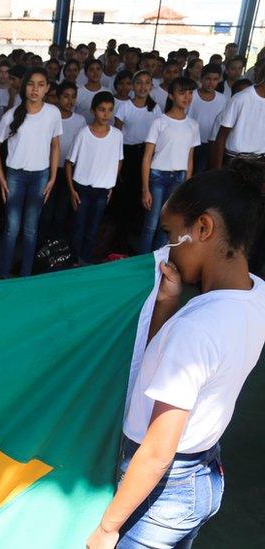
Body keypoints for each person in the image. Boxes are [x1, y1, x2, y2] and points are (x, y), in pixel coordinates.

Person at [85, 159, 265, 549]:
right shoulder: (256, 295)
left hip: (159, 496)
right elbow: (165, 365)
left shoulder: (196, 329)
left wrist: (108, 527)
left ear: (203, 228)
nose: (166, 250)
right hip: (203, 472)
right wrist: (167, 302)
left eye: (171, 234)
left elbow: (157, 452)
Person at [0, 67, 62, 279]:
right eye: (31, 84)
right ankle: (3, 276)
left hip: (40, 176)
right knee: (12, 229)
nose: (35, 89)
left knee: (31, 229)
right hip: (15, 176)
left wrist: (53, 177)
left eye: (40, 85)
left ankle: (26, 276)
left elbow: (55, 145)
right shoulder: (13, 115)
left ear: (47, 88)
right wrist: (2, 178)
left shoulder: (52, 113)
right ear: (24, 87)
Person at [140, 77, 200, 253]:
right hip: (157, 176)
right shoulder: (160, 122)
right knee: (151, 223)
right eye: (182, 93)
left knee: (168, 225)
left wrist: (187, 185)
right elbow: (147, 157)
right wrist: (145, 188)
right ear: (171, 96)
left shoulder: (193, 125)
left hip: (179, 178)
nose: (187, 97)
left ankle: (158, 260)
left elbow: (190, 158)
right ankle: (142, 261)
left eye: (190, 93)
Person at [66, 92, 123, 265]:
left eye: (109, 110)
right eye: (101, 110)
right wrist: (71, 190)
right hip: (81, 188)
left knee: (93, 229)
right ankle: (75, 261)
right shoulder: (83, 134)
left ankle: (86, 262)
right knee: (78, 228)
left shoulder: (117, 135)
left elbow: (119, 160)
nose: (106, 114)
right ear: (93, 111)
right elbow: (69, 163)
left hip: (102, 190)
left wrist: (110, 183)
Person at [114, 71, 163, 252]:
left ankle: (135, 241)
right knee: (125, 198)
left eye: (147, 83)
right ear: (133, 86)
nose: (143, 87)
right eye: (139, 83)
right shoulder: (125, 107)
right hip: (127, 154)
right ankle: (120, 242)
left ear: (151, 86)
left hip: (147, 154)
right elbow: (117, 135)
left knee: (142, 198)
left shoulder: (155, 108)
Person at [40, 81, 86, 242]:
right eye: (66, 96)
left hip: (68, 171)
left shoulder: (80, 120)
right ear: (58, 98)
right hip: (49, 169)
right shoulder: (49, 117)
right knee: (46, 211)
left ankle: (55, 249)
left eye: (73, 97)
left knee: (61, 213)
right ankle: (41, 247)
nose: (70, 101)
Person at [212, 78, 265, 168]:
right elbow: (221, 137)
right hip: (236, 160)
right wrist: (217, 171)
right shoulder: (241, 98)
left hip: (260, 160)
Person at [188, 65, 226, 174]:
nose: (211, 83)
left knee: (204, 174)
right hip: (191, 142)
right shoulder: (191, 95)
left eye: (215, 79)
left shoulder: (222, 99)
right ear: (201, 78)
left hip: (211, 144)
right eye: (208, 79)